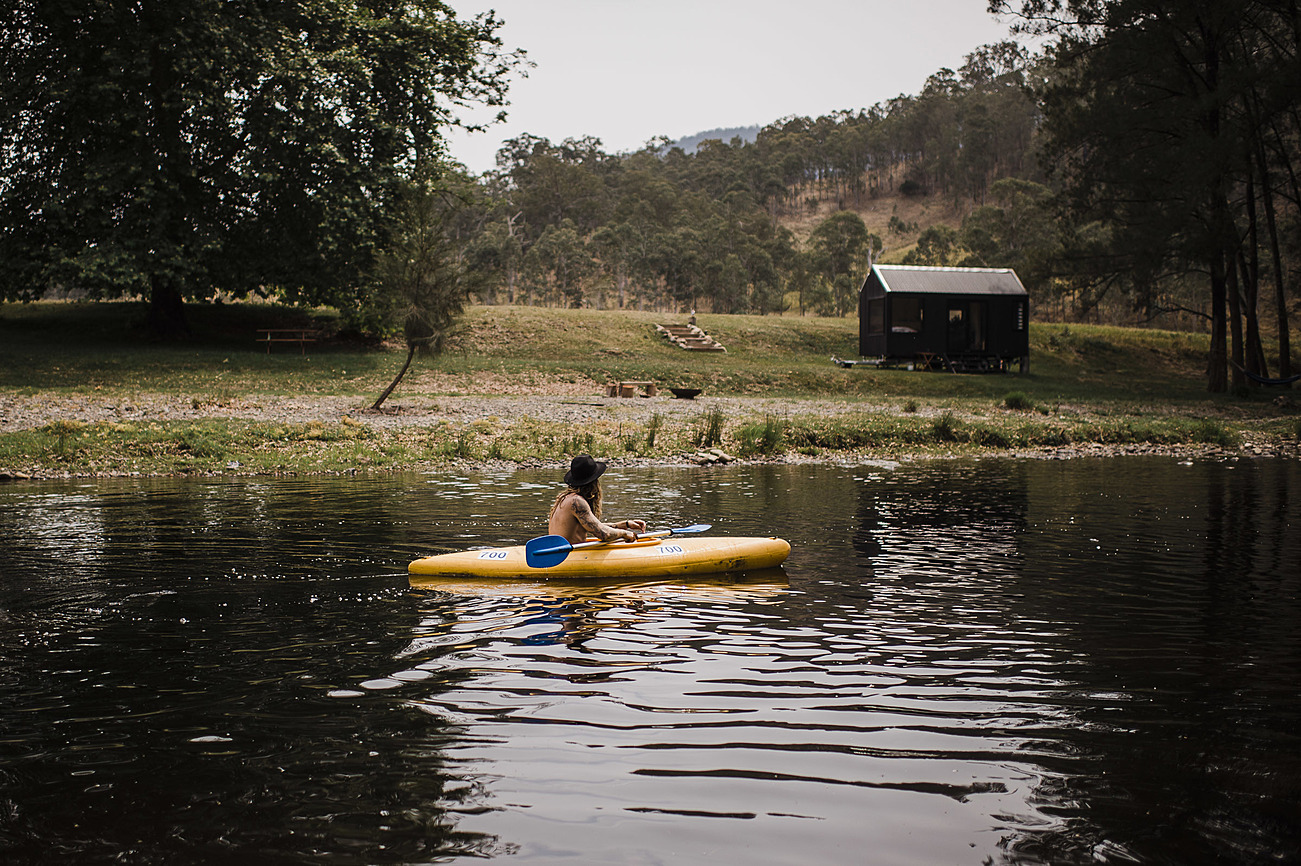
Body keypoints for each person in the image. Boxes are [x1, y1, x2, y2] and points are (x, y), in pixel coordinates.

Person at [547, 455, 647, 545]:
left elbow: (593, 526)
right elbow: (604, 533)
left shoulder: (565, 498)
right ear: (593, 482)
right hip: (568, 557)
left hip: (560, 555)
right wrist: (624, 533)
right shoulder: (576, 502)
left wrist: (625, 524)